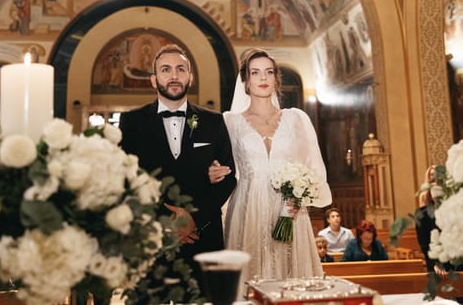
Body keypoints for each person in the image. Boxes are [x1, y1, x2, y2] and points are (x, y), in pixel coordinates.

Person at [119, 44, 236, 287]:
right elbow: (124, 180)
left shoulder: (214, 121)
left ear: (190, 77)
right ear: (154, 80)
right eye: (165, 69)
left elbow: (229, 177)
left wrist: (195, 218)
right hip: (150, 242)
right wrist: (164, 223)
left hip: (203, 240)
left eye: (181, 69)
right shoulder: (131, 122)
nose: (174, 75)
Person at [212, 48, 332, 282]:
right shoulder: (230, 122)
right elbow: (219, 165)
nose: (263, 78)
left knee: (292, 281)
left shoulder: (297, 118)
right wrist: (214, 171)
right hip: (247, 209)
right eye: (255, 73)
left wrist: (300, 198)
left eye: (268, 72)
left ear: (276, 78)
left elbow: (314, 168)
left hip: (288, 209)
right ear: (246, 81)